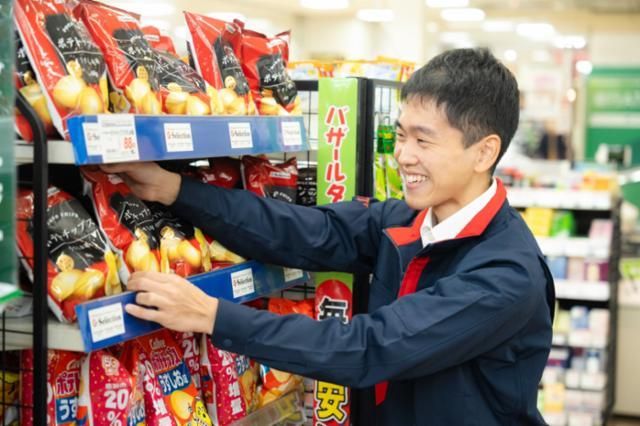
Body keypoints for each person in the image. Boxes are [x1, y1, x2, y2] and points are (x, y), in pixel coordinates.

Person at [101, 48, 554, 425]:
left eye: (423, 140)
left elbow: (371, 347)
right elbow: (304, 229)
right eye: (400, 135)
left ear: (484, 152)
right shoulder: (407, 222)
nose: (403, 155)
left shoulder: (505, 275)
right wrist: (174, 189)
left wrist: (213, 316)